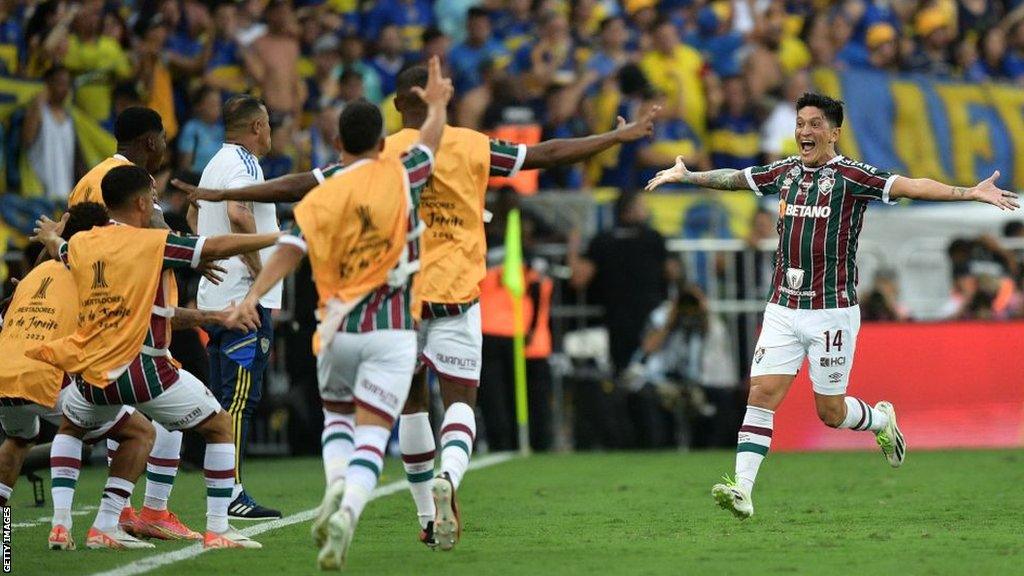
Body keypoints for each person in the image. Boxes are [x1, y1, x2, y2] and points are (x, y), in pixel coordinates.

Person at [175, 62, 657, 552]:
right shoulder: (468, 145)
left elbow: (299, 185)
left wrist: (225, 193)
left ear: (397, 105)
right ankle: (450, 473)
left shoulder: (382, 157)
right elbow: (548, 154)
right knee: (460, 404)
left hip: (399, 307)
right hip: (458, 298)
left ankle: (423, 515)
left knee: (405, 408)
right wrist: (612, 139)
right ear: (433, 98)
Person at [645, 92, 1019, 519]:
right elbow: (736, 178)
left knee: (831, 411)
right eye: (800, 123)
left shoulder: (852, 176)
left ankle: (881, 421)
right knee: (762, 394)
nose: (805, 131)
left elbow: (912, 185)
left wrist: (968, 192)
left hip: (832, 311)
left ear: (834, 132)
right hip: (782, 307)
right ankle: (742, 490)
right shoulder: (783, 173)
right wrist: (688, 175)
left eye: (814, 124)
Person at [228, 55, 450, 570]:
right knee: (373, 433)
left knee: (337, 421)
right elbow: (431, 140)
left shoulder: (321, 196)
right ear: (381, 142)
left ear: (338, 146)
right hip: (392, 328)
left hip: (335, 331)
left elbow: (289, 248)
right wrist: (435, 105)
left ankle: (333, 487)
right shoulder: (401, 175)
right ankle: (349, 508)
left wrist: (249, 296)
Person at [29, 165, 283, 548]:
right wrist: (281, 237)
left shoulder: (82, 244)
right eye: (151, 198)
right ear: (139, 202)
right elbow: (212, 247)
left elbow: (60, 249)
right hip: (142, 367)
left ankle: (68, 525)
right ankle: (217, 529)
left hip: (91, 374)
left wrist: (51, 234)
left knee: (72, 429)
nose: (154, 204)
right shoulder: (150, 242)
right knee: (219, 426)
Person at [0, 202, 212, 548]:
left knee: (18, 441)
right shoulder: (93, 272)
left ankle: (4, 541)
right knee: (141, 434)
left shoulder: (31, 279)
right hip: (49, 377)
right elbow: (152, 319)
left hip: (5, 376)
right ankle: (111, 521)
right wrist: (213, 317)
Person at [191, 94, 282, 520]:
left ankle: (222, 489)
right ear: (257, 127)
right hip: (243, 301)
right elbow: (240, 215)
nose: (270, 134)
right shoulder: (244, 164)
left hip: (217, 298)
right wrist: (261, 274)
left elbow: (194, 211)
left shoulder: (214, 163)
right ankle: (231, 492)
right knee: (239, 399)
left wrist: (205, 255)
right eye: (268, 126)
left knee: (224, 399)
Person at [569, 191, 679, 374]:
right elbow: (673, 272)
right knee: (650, 376)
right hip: (650, 322)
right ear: (631, 210)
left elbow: (579, 279)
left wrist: (572, 248)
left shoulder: (602, 240)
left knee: (619, 376)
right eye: (643, 205)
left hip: (616, 321)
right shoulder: (654, 237)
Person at [23, 65, 76, 203]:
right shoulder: (39, 113)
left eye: (67, 84)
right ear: (48, 85)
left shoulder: (71, 117)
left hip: (65, 195)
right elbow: (27, 141)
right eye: (60, 83)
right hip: (39, 194)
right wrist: (37, 104)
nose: (65, 89)